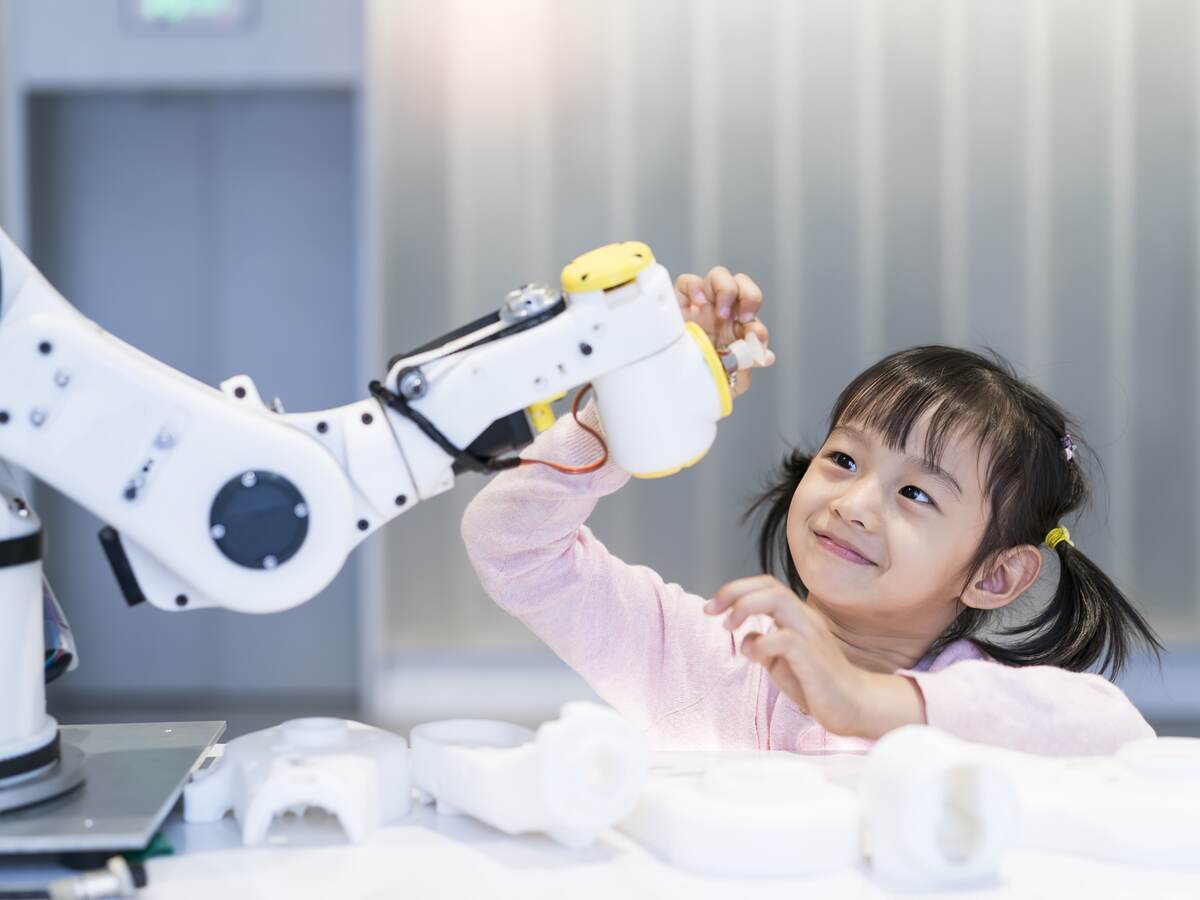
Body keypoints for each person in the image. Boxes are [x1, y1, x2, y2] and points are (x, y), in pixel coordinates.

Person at [461, 268, 1160, 754]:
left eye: (916, 494)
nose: (853, 504)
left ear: (997, 576)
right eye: (844, 461)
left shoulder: (982, 712)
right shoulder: (701, 654)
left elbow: (1116, 735)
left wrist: (865, 702)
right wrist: (635, 407)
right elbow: (512, 545)